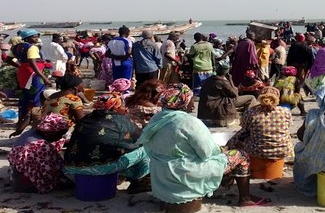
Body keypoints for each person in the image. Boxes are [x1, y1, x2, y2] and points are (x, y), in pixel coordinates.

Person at [140, 83, 271, 208]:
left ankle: (223, 181)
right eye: (191, 99)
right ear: (183, 101)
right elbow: (208, 153)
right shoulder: (189, 122)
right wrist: (223, 149)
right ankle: (245, 198)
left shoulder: (157, 119)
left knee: (223, 156)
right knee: (240, 156)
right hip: (184, 171)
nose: (193, 104)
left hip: (162, 172)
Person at [64, 93, 151, 194]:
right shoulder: (121, 120)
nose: (124, 108)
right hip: (100, 169)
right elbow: (140, 139)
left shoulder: (87, 118)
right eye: (122, 105)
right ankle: (140, 180)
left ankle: (120, 175)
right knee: (147, 147)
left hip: (72, 167)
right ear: (116, 106)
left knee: (114, 148)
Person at [8, 113, 72, 193]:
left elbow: (55, 141)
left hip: (14, 176)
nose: (60, 137)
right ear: (50, 132)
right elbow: (49, 172)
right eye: (60, 134)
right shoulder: (42, 146)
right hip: (28, 184)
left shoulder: (30, 133)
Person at [226, 86, 292, 161]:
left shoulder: (251, 112)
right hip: (282, 151)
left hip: (256, 152)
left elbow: (245, 128)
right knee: (287, 135)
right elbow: (288, 126)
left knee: (240, 137)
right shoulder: (285, 111)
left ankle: (240, 158)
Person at [9, 29, 52, 137]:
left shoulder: (17, 47)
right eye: (34, 36)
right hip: (33, 74)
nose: (36, 37)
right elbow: (33, 64)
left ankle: (21, 120)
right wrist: (44, 77)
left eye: (37, 35)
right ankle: (36, 120)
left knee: (24, 96)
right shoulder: (32, 48)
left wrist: (20, 66)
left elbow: (8, 59)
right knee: (36, 96)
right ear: (27, 38)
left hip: (23, 73)